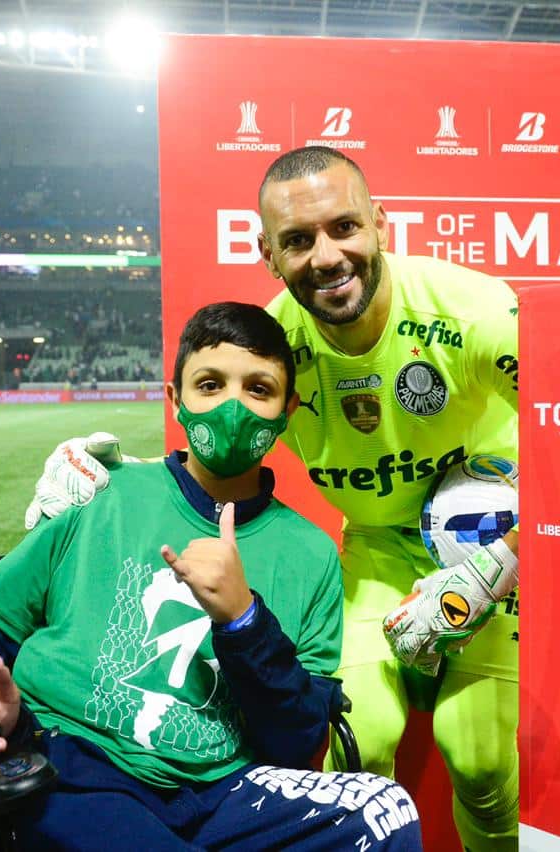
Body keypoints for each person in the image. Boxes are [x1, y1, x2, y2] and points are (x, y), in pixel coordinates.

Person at [28, 148, 520, 850]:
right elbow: (217, 443)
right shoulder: (275, 341)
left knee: (482, 760)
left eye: (344, 227)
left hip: (500, 548)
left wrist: (495, 566)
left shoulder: (475, 311)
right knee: (356, 741)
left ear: (381, 225)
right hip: (377, 554)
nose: (326, 256)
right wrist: (107, 475)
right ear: (267, 253)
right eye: (298, 240)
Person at [0, 301, 422, 851]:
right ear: (176, 400)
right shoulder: (102, 494)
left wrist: (245, 621)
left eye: (259, 390)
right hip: (76, 765)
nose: (233, 407)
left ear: (288, 409)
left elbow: (297, 741)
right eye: (210, 384)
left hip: (223, 789)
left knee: (385, 810)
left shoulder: (312, 553)